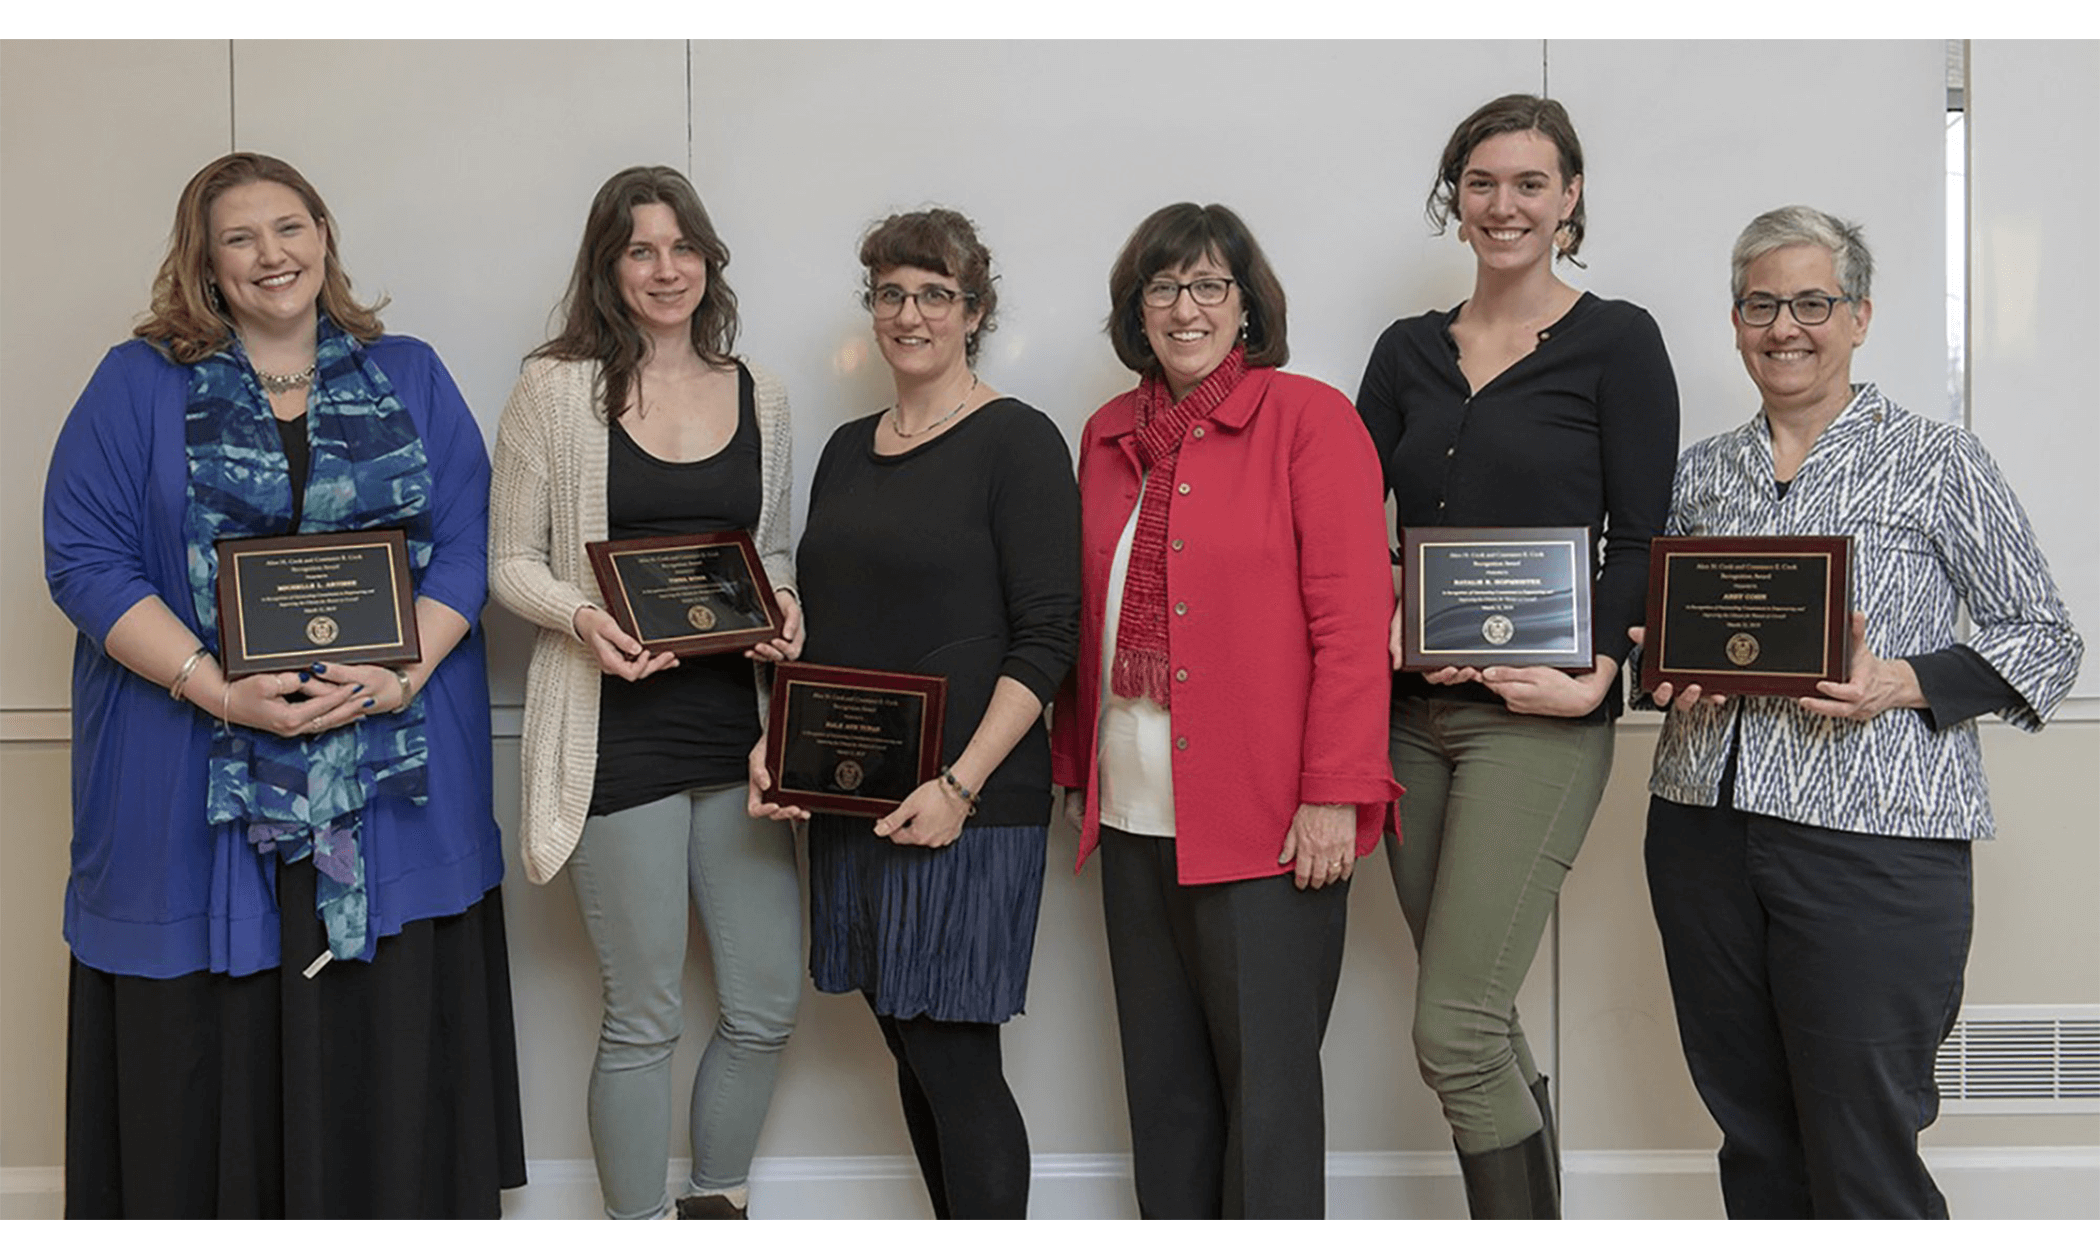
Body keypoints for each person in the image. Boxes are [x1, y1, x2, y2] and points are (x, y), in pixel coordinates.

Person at [42, 152, 524, 1217]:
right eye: (241, 237)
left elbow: (469, 539)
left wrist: (403, 672)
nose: (272, 254)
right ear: (204, 263)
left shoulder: (409, 372)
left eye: (291, 226)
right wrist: (218, 690)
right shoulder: (138, 383)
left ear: (324, 237)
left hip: (388, 765)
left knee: (381, 1017)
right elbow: (84, 558)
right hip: (195, 767)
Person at [1635, 206, 2082, 1219]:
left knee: (1862, 1140)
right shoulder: (1700, 470)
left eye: (1812, 303)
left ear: (1860, 316)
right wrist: (1663, 668)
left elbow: (2046, 638)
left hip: (1874, 839)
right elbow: (1671, 634)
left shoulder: (1938, 459)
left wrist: (1900, 681)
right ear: (1736, 322)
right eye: (1761, 306)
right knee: (1752, 1131)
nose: (1785, 328)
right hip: (1703, 831)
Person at [1353, 94, 1680, 1217]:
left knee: (1452, 1029)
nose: (1505, 205)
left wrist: (1600, 678)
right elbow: (1348, 523)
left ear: (1569, 198)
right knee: (1479, 1022)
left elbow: (1642, 536)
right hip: (1408, 721)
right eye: (1483, 182)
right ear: (1457, 198)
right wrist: (1390, 604)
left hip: (1538, 719)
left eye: (1530, 183)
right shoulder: (1404, 350)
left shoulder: (1619, 341)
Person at [1051, 202, 1401, 1219]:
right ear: (1137, 311)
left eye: (1209, 285)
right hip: (1132, 817)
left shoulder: (1309, 419)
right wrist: (1076, 768)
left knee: (1269, 1103)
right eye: (1163, 288)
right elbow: (1084, 614)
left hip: (1269, 823)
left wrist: (1335, 793)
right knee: (1164, 1097)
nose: (1185, 308)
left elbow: (1352, 624)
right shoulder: (1106, 435)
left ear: (1248, 306)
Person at [489, 166, 804, 1221]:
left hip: (735, 734)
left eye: (682, 247)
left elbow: (770, 551)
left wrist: (787, 605)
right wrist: (584, 620)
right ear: (608, 267)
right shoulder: (554, 391)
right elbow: (509, 562)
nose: (666, 270)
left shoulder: (763, 392)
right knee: (645, 1016)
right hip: (612, 734)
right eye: (640, 250)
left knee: (766, 1003)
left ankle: (716, 1211)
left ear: (708, 259)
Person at [748, 208, 1076, 1220]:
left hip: (967, 803)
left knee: (954, 1055)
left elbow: (1048, 640)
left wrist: (960, 786)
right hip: (856, 797)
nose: (910, 313)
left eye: (936, 294)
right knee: (907, 1039)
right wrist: (777, 745)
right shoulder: (848, 450)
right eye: (891, 293)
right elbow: (830, 625)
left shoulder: (1019, 441)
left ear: (975, 312)